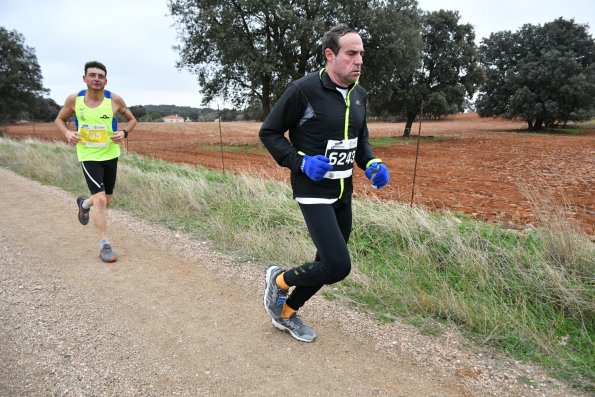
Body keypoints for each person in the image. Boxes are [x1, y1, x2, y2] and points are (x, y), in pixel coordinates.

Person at [259, 24, 390, 342]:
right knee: (337, 265)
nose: (359, 60)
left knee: (325, 261)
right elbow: (270, 133)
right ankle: (279, 281)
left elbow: (361, 140)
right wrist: (301, 161)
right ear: (329, 55)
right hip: (312, 190)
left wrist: (371, 162)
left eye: (361, 54)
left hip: (343, 191)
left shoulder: (359, 94)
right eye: (351, 53)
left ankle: (287, 313)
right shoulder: (303, 90)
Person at [55, 61, 137, 263]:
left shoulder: (115, 100)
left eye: (100, 76)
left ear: (106, 81)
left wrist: (123, 133)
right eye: (92, 75)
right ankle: (104, 246)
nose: (96, 79)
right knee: (100, 200)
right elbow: (59, 119)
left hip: (110, 154)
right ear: (85, 79)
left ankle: (84, 204)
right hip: (88, 154)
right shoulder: (75, 100)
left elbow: (133, 120)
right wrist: (67, 132)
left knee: (107, 199)